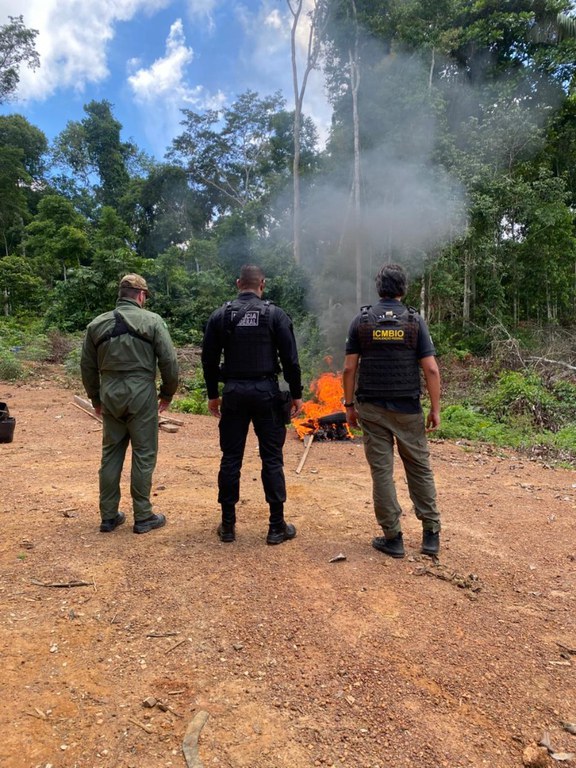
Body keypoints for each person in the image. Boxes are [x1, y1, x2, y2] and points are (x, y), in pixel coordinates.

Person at [342, 263, 442, 558]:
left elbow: (349, 368)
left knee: (382, 473)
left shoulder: (362, 321)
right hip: (408, 408)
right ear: (403, 289)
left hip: (372, 408)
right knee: (419, 469)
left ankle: (393, 538)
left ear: (379, 288)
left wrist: (349, 406)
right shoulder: (414, 321)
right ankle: (431, 535)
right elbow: (432, 370)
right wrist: (435, 409)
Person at [202, 264, 303, 545]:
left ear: (238, 283)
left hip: (234, 392)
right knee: (272, 459)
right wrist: (296, 394)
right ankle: (276, 527)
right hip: (266, 393)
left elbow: (209, 360)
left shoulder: (220, 316)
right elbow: (291, 361)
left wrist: (213, 394)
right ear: (262, 284)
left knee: (230, 458)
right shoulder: (275, 314)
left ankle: (228, 526)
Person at [81, 274, 179, 534]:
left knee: (111, 453)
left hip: (110, 392)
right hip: (141, 393)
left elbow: (88, 367)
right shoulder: (152, 321)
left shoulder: (96, 324)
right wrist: (167, 394)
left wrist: (95, 399)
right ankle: (143, 515)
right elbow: (169, 362)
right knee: (144, 454)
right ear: (141, 295)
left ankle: (109, 516)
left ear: (120, 294)